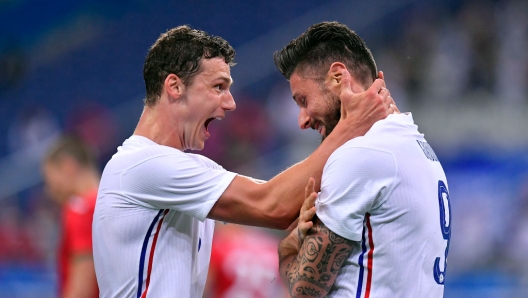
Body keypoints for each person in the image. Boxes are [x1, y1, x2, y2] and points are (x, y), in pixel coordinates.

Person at [92, 25, 396, 298]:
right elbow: (272, 205)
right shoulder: (142, 166)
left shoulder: (189, 168)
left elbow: (285, 203)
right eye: (218, 87)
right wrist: (350, 127)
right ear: (174, 86)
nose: (231, 102)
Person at [274, 21, 451, 298]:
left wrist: (288, 247)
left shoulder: (360, 155)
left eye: (303, 100)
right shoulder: (419, 148)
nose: (302, 120)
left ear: (338, 77)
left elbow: (304, 289)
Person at [42, 135, 99, 298]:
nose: (50, 190)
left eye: (50, 179)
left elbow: (82, 288)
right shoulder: (116, 202)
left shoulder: (79, 209)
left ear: (68, 166)